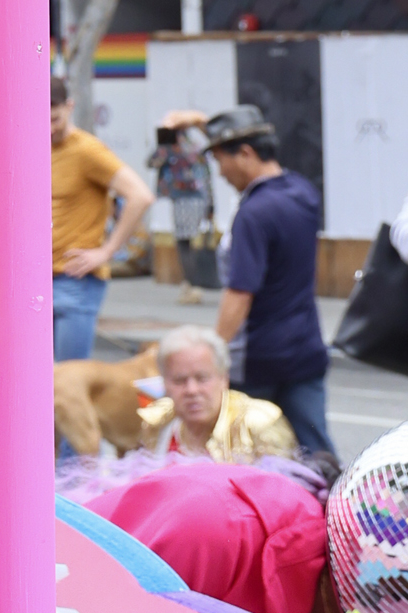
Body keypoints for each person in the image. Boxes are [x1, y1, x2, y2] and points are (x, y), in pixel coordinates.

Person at [205, 105, 336, 459]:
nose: (221, 172)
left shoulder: (254, 213)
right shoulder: (303, 192)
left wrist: (213, 352)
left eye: (221, 160)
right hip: (305, 347)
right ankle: (336, 513)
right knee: (317, 453)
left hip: (258, 358)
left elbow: (240, 292)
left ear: (246, 153)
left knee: (250, 453)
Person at [51, 74, 153, 359]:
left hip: (75, 279)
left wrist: (106, 251)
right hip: (37, 279)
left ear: (69, 107)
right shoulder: (33, 147)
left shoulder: (87, 150)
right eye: (42, 120)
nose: (48, 129)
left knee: (67, 383)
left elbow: (140, 196)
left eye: (55, 120)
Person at [139, 324, 297, 461]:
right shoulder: (157, 423)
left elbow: (284, 491)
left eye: (202, 378)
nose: (192, 390)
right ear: (165, 383)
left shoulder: (259, 424)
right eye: (179, 381)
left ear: (224, 379)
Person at [149, 111, 213, 304]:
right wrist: (212, 206)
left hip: (183, 198)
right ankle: (192, 285)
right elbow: (207, 177)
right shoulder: (197, 147)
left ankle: (192, 286)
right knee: (188, 242)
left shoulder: (170, 149)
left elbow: (151, 161)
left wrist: (162, 144)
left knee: (183, 243)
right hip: (200, 199)